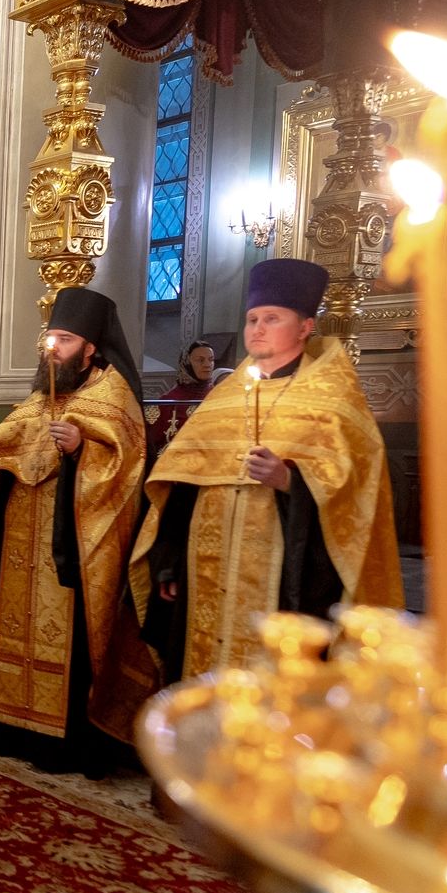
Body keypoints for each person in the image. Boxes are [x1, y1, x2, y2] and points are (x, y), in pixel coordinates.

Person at [133, 258, 403, 683]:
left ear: (305, 327)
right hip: (206, 572)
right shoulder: (223, 397)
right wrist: (169, 564)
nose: (257, 329)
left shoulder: (333, 398)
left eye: (272, 318)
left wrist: (290, 481)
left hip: (286, 577)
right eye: (252, 319)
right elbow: (183, 486)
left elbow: (357, 501)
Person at [0, 287, 156, 774]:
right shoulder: (38, 398)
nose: (54, 348)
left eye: (65, 340)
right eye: (51, 338)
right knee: (16, 628)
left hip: (74, 545)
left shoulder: (113, 396)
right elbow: (4, 451)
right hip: (20, 542)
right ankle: (12, 728)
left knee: (67, 637)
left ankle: (61, 741)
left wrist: (81, 450)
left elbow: (126, 470)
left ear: (90, 347)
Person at [148, 339, 225, 459]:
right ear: (187, 363)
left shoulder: (220, 397)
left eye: (211, 359)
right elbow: (156, 443)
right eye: (200, 360)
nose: (207, 364)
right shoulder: (169, 401)